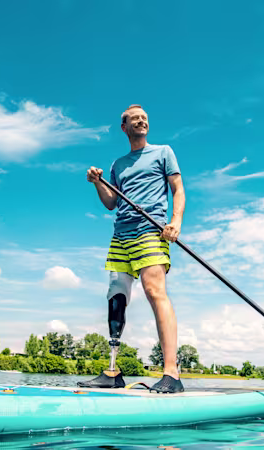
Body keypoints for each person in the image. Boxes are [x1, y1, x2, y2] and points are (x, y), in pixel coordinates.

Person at [78, 104, 185, 394]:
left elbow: (177, 188)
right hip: (120, 234)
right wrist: (98, 182)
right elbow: (111, 202)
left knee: (154, 291)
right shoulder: (118, 164)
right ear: (124, 127)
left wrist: (175, 221)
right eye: (135, 118)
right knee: (116, 297)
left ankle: (172, 374)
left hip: (151, 229)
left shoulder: (163, 152)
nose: (141, 121)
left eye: (145, 118)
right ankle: (112, 372)